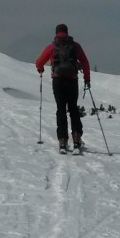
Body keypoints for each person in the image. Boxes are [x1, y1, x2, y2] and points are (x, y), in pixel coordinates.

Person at [35, 23, 91, 153]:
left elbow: (39, 62)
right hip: (72, 80)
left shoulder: (52, 47)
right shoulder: (75, 46)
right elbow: (85, 62)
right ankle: (76, 140)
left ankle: (62, 141)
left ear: (56, 33)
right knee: (73, 109)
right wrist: (87, 78)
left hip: (58, 81)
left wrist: (41, 69)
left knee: (61, 109)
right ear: (67, 32)